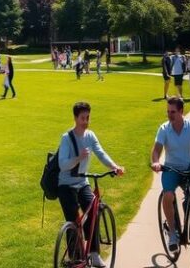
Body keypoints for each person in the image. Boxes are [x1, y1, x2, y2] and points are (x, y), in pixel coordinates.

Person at [57, 102, 125, 268]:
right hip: (66, 185)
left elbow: (101, 153)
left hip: (82, 182)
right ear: (75, 118)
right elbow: (62, 164)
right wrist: (78, 158)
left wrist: (114, 167)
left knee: (93, 210)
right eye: (82, 118)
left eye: (88, 117)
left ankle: (94, 254)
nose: (86, 121)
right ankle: (75, 259)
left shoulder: (90, 135)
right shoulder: (67, 138)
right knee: (74, 220)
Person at [151, 96, 190, 252]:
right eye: (168, 111)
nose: (169, 115)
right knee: (168, 195)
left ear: (181, 111)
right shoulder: (164, 129)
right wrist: (156, 162)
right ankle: (173, 233)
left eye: (172, 112)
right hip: (171, 169)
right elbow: (156, 150)